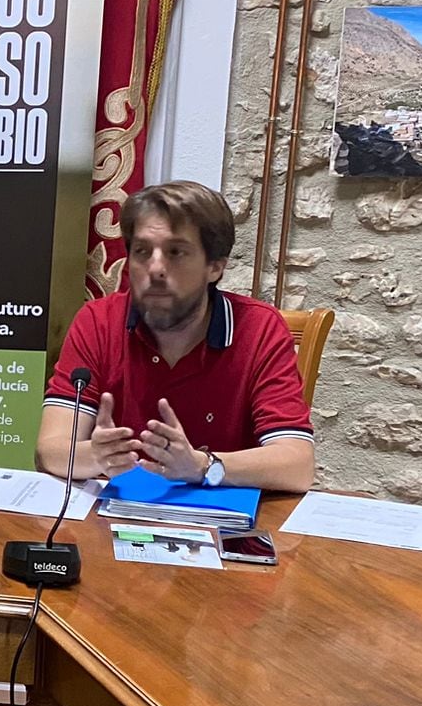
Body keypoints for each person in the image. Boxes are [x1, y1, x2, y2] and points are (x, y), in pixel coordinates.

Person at [38, 180, 315, 491]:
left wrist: (201, 465)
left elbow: (297, 465)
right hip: (113, 523)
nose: (155, 268)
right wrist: (96, 456)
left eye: (176, 252)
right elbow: (50, 450)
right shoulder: (99, 320)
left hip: (225, 531)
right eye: (142, 251)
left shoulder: (259, 328)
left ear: (215, 267)